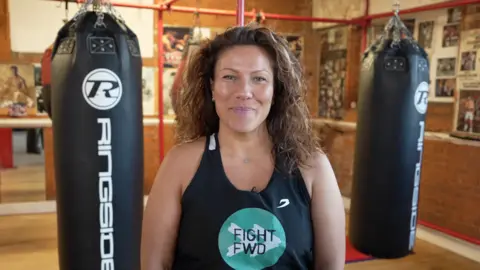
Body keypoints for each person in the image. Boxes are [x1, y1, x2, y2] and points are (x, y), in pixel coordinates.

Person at [141, 24, 346, 270]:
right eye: (230, 77)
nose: (244, 92)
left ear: (276, 90)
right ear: (212, 87)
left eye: (259, 78)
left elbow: (330, 266)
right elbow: (154, 264)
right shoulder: (180, 164)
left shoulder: (312, 167)